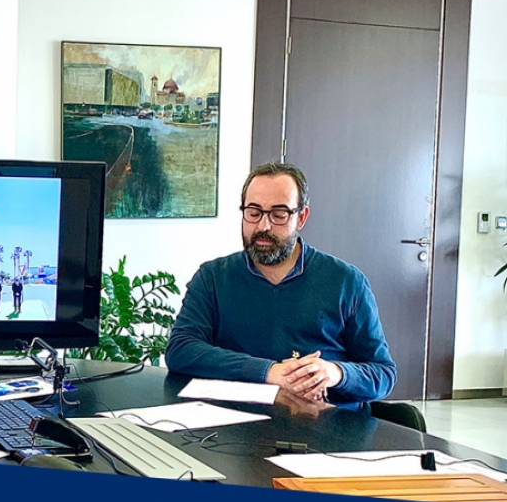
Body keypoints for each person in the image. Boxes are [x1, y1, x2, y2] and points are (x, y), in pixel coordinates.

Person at [165, 162, 396, 410]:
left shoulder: (347, 281)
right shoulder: (212, 277)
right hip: (238, 422)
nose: (263, 226)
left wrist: (336, 373)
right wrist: (269, 371)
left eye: (279, 215)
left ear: (301, 217)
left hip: (326, 423)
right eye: (254, 212)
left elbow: (382, 374)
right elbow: (181, 350)